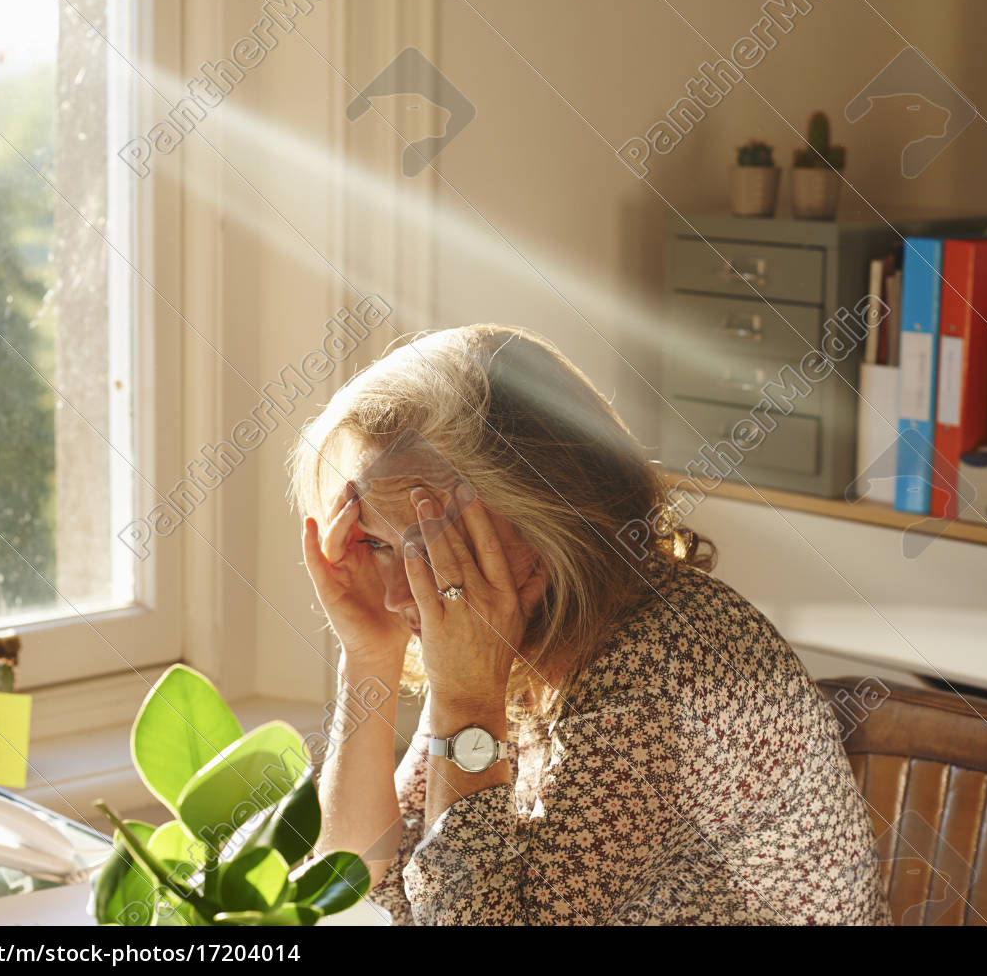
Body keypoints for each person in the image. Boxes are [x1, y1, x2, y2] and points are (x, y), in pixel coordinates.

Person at [291, 323, 891, 925]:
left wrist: (469, 700)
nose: (398, 594)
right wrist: (369, 654)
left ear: (551, 523)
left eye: (429, 547)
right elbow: (365, 875)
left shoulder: (661, 667)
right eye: (375, 542)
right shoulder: (506, 627)